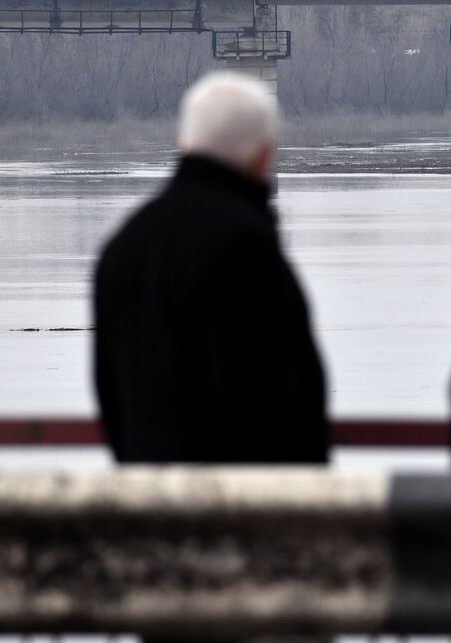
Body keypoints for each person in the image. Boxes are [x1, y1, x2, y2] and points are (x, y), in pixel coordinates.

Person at [93, 71, 327, 468]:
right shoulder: (246, 249)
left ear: (182, 145)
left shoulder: (123, 247)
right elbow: (280, 403)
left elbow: (110, 396)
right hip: (234, 513)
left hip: (143, 506)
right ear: (264, 156)